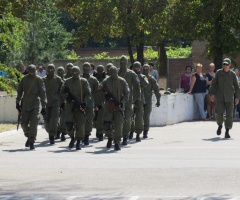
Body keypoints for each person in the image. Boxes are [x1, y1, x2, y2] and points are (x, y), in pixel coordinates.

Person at [16, 64, 46, 150]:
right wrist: (17, 102)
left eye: (33, 72)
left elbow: (43, 94)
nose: (31, 73)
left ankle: (32, 141)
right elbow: (19, 91)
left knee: (34, 122)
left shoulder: (39, 80)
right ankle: (29, 136)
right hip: (25, 104)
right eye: (30, 72)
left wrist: (44, 106)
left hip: (35, 104)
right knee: (23, 123)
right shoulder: (23, 79)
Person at [99, 65, 130, 151]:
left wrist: (121, 102)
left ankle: (117, 142)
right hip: (108, 107)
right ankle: (109, 137)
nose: (113, 75)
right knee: (106, 124)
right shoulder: (106, 80)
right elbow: (99, 88)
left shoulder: (122, 81)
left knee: (118, 126)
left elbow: (127, 94)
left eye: (114, 73)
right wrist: (105, 95)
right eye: (111, 73)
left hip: (118, 106)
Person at [61, 66, 91, 150]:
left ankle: (78, 141)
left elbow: (88, 94)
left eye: (76, 72)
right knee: (69, 125)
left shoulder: (83, 81)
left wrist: (84, 103)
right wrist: (67, 97)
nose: (75, 73)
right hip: (70, 106)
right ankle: (72, 137)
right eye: (73, 72)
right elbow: (62, 91)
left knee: (80, 125)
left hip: (80, 106)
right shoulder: (67, 81)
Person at [209, 58, 240, 138]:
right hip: (219, 96)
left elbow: (237, 87)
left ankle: (227, 130)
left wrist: (237, 97)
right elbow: (214, 84)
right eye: (224, 64)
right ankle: (220, 125)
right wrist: (211, 93)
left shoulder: (232, 74)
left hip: (229, 97)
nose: (225, 66)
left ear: (230, 65)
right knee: (219, 113)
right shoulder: (218, 73)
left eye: (226, 64)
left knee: (229, 115)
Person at [118, 55, 141, 145]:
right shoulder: (116, 72)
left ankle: (125, 136)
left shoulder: (131, 73)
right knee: (117, 120)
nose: (123, 63)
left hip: (128, 100)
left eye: (124, 61)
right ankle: (117, 136)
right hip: (118, 100)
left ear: (127, 62)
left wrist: (137, 99)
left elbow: (137, 86)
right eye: (121, 61)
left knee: (127, 119)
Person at [43, 64, 63, 144]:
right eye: (48, 69)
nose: (50, 70)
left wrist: (62, 102)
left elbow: (62, 91)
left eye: (51, 69)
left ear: (54, 70)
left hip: (56, 103)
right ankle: (51, 131)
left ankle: (52, 135)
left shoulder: (58, 79)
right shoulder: (43, 80)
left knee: (54, 120)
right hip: (46, 103)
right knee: (47, 120)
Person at [81, 62, 99, 145]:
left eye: (87, 67)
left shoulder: (93, 80)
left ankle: (87, 136)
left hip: (90, 102)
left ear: (90, 69)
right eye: (84, 67)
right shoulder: (79, 78)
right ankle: (80, 135)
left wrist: (97, 104)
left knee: (89, 120)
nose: (86, 68)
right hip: (80, 102)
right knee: (79, 120)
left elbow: (97, 92)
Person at [131, 61, 149, 141]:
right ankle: (130, 131)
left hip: (139, 99)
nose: (136, 69)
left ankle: (138, 133)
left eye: (138, 67)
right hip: (130, 99)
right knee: (129, 116)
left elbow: (145, 84)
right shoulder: (129, 75)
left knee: (139, 117)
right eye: (135, 67)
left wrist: (139, 76)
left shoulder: (143, 77)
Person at [142, 64, 161, 138]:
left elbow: (156, 90)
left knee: (146, 116)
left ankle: (145, 131)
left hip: (148, 100)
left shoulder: (151, 79)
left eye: (147, 68)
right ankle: (134, 131)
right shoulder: (139, 77)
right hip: (139, 100)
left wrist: (158, 100)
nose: (145, 69)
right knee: (138, 116)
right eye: (144, 68)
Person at [93, 65, 108, 141]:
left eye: (101, 72)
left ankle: (101, 132)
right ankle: (98, 130)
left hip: (103, 101)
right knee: (95, 117)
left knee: (101, 117)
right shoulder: (93, 79)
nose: (99, 73)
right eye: (98, 72)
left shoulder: (106, 79)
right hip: (95, 100)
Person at [56, 66, 67, 141]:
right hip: (55, 101)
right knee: (55, 118)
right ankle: (57, 132)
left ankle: (63, 133)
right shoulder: (54, 80)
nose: (60, 73)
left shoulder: (66, 81)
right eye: (59, 71)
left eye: (61, 71)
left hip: (64, 102)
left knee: (63, 119)